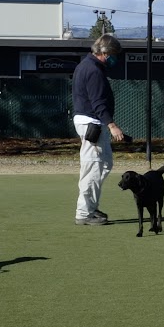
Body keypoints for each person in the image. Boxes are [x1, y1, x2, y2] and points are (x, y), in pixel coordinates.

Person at [71, 34, 128, 225]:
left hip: (90, 122)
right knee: (93, 167)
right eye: (113, 54)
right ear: (104, 52)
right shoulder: (93, 70)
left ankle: (90, 208)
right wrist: (112, 126)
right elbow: (98, 103)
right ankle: (84, 213)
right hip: (92, 123)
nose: (115, 58)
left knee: (102, 165)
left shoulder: (86, 66)